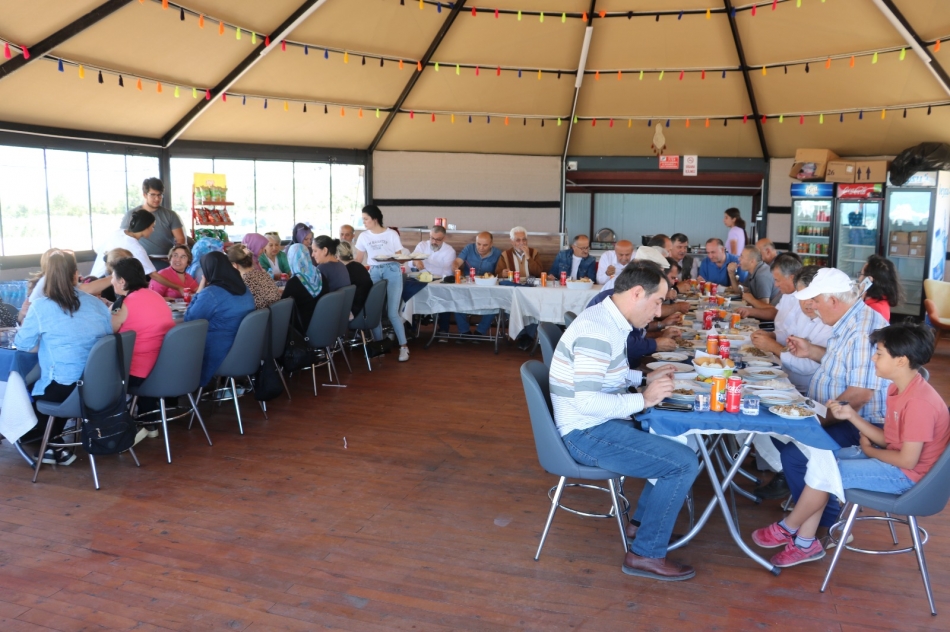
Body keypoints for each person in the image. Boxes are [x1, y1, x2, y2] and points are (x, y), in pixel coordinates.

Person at [752, 323, 949, 568]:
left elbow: (907, 461)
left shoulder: (920, 403)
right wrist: (852, 416)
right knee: (820, 461)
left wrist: (869, 451)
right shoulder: (899, 388)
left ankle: (789, 529)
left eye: (879, 353)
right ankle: (803, 542)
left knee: (825, 472)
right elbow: (890, 440)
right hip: (895, 461)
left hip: (908, 477)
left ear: (901, 360)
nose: (873, 358)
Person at [551, 261, 698, 581]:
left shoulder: (608, 319)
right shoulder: (598, 330)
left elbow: (611, 373)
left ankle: (643, 525)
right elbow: (587, 402)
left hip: (593, 424)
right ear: (637, 293)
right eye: (657, 302)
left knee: (681, 437)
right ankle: (645, 554)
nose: (658, 313)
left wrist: (645, 377)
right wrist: (644, 398)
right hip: (584, 432)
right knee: (683, 462)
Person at [767, 268, 890, 533]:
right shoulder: (849, 320)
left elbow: (860, 395)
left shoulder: (862, 331)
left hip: (864, 425)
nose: (811, 306)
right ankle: (816, 509)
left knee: (794, 454)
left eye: (815, 301)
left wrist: (816, 422)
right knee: (777, 431)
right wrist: (811, 351)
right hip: (840, 414)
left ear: (833, 300)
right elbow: (843, 365)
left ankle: (825, 521)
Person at [14, 250, 113, 465]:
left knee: (25, 387)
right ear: (76, 274)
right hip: (101, 387)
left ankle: (49, 443)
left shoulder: (41, 307)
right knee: (51, 379)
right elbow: (107, 336)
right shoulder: (97, 304)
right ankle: (53, 446)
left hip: (67, 391)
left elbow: (22, 344)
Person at [109, 257, 175, 437]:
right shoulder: (156, 296)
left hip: (138, 374)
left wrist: (108, 310)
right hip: (164, 368)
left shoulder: (122, 305)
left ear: (122, 281)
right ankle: (149, 422)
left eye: (113, 277)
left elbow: (106, 331)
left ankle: (111, 427)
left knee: (101, 373)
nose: (111, 281)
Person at [750, 266, 833, 392]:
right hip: (786, 379)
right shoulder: (803, 313)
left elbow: (807, 366)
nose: (807, 303)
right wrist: (771, 335)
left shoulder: (829, 323)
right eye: (802, 296)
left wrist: (773, 346)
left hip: (805, 391)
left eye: (813, 297)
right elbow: (789, 333)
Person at [184, 251, 255, 388]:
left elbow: (190, 320)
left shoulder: (211, 293)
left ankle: (179, 390)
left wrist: (201, 287)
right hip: (244, 351)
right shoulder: (244, 289)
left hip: (219, 354)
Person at [354, 205, 410, 362]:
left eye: (366, 219)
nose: (364, 222)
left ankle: (404, 347)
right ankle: (380, 347)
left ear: (375, 219)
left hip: (392, 270)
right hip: (374, 271)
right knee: (375, 313)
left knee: (392, 312)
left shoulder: (391, 234)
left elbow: (400, 258)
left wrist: (406, 258)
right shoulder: (364, 236)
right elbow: (358, 260)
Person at [92, 209, 185, 295]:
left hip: (93, 280)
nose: (153, 230)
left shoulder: (117, 232)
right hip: (107, 285)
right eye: (152, 227)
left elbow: (98, 250)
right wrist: (178, 287)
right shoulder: (136, 248)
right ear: (145, 227)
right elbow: (154, 275)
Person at [119, 178, 185, 269]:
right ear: (145, 195)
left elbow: (180, 239)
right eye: (153, 195)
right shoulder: (131, 215)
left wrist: (174, 255)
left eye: (159, 195)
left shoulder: (171, 215)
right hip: (138, 261)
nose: (157, 199)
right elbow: (122, 238)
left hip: (164, 261)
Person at [452, 232, 502, 341]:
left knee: (495, 303)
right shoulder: (469, 248)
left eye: (485, 245)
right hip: (468, 286)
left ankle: (480, 331)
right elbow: (457, 261)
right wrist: (455, 267)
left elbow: (499, 272)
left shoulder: (497, 253)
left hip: (487, 288)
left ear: (491, 244)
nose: (481, 248)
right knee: (456, 300)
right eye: (478, 244)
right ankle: (464, 331)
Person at [228, 244, 282, 310]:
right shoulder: (265, 275)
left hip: (260, 315)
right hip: (277, 313)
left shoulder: (242, 283)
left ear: (235, 265)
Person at [282, 243, 322, 331]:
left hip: (302, 327)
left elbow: (283, 305)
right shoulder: (319, 274)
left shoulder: (294, 282)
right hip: (323, 322)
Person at [860, 254, 903, 321]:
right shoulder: (870, 302)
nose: (859, 279)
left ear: (869, 280)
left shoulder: (875, 309)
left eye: (861, 274)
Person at [338, 241, 373, 317]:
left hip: (355, 312)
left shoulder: (345, 272)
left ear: (337, 256)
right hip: (367, 308)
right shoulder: (359, 266)